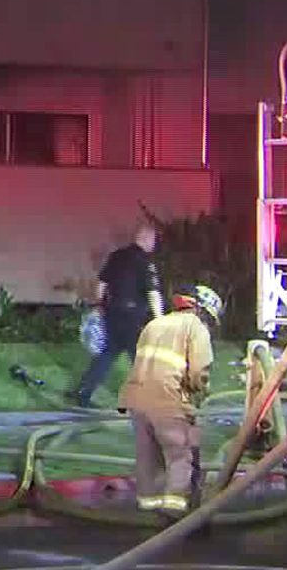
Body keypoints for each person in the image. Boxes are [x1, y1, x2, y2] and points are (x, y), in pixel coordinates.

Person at [120, 284, 223, 521]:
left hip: (136, 400)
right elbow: (199, 371)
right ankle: (177, 516)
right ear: (202, 311)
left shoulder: (154, 324)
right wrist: (198, 391)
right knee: (181, 456)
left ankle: (149, 511)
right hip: (168, 400)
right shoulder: (195, 327)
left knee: (149, 456)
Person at [74, 223, 164, 408]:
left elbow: (100, 285)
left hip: (112, 314)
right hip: (133, 318)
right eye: (154, 240)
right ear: (145, 239)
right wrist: (159, 319)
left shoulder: (117, 256)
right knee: (141, 357)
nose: (154, 244)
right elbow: (153, 293)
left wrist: (100, 306)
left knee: (108, 352)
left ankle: (84, 391)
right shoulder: (145, 262)